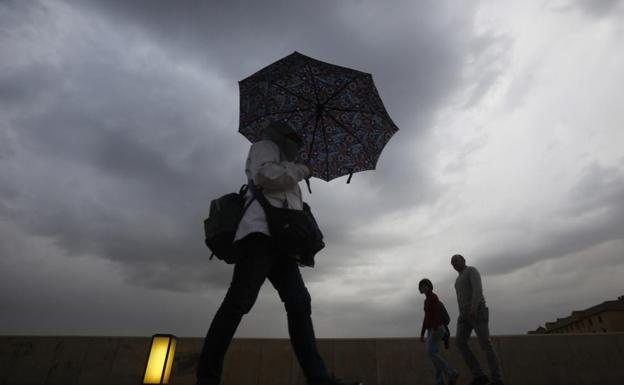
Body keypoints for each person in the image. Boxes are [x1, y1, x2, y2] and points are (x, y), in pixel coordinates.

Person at [196, 121, 361, 385]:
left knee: (299, 302)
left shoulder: (285, 159)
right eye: (294, 132)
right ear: (283, 130)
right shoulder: (264, 146)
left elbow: (286, 198)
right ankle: (207, 378)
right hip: (260, 234)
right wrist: (301, 169)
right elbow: (265, 176)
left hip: (282, 241)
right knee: (239, 302)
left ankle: (318, 378)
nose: (298, 137)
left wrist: (298, 171)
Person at [451, 254, 504, 385]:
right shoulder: (457, 280)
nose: (454, 263)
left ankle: (497, 379)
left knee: (486, 344)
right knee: (460, 342)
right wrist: (462, 314)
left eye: (456, 260)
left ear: (463, 260)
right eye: (452, 262)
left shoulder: (471, 271)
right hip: (464, 316)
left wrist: (474, 307)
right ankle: (479, 375)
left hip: (477, 311)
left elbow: (477, 289)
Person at [418, 278, 459, 385]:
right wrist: (422, 333)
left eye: (425, 285)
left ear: (429, 286)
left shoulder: (433, 297)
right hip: (431, 329)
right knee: (434, 355)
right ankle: (440, 381)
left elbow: (436, 313)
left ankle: (451, 372)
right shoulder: (426, 301)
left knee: (430, 352)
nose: (424, 287)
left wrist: (435, 328)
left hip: (437, 328)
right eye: (422, 286)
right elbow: (426, 318)